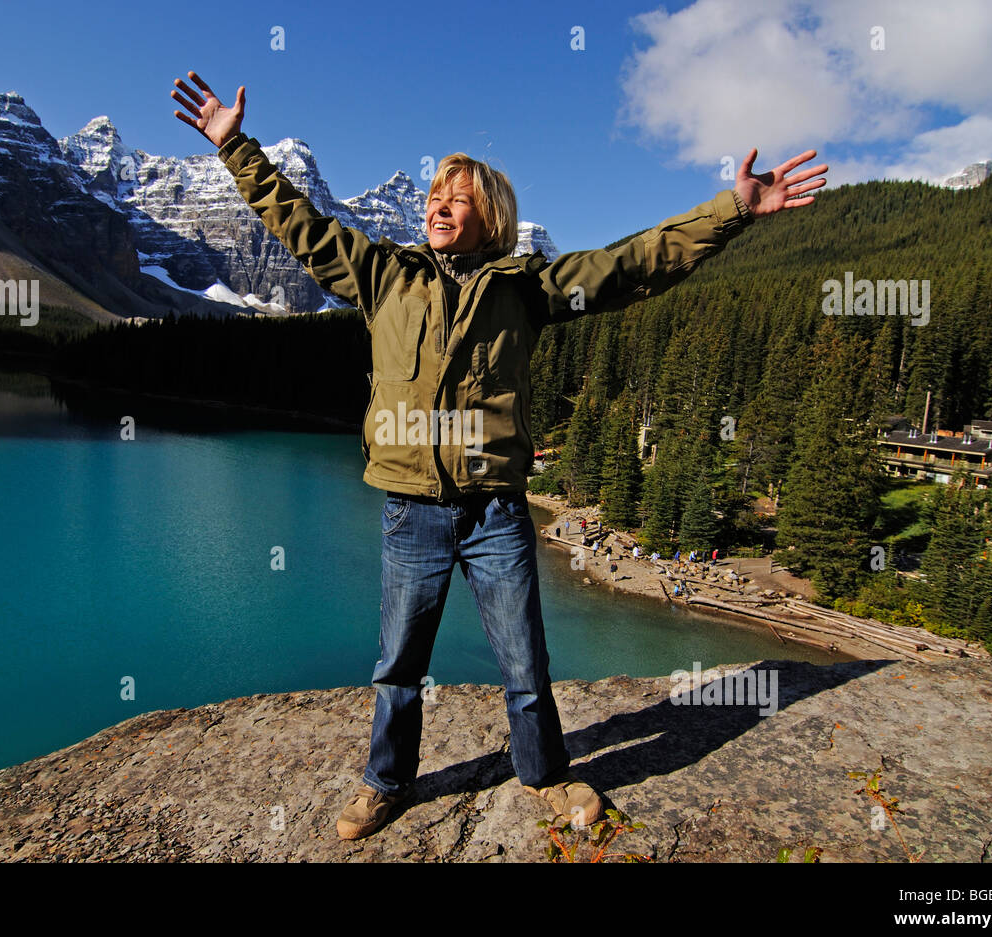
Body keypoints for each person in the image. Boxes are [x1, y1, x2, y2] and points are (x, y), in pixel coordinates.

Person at [171, 70, 826, 841]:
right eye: (434, 195)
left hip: (495, 511)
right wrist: (233, 145)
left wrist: (735, 209)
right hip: (412, 509)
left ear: (492, 216)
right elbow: (301, 225)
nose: (438, 205)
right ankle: (385, 783)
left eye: (457, 196)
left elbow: (635, 262)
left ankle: (544, 775)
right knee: (398, 666)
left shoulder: (530, 290)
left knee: (524, 665)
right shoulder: (383, 273)